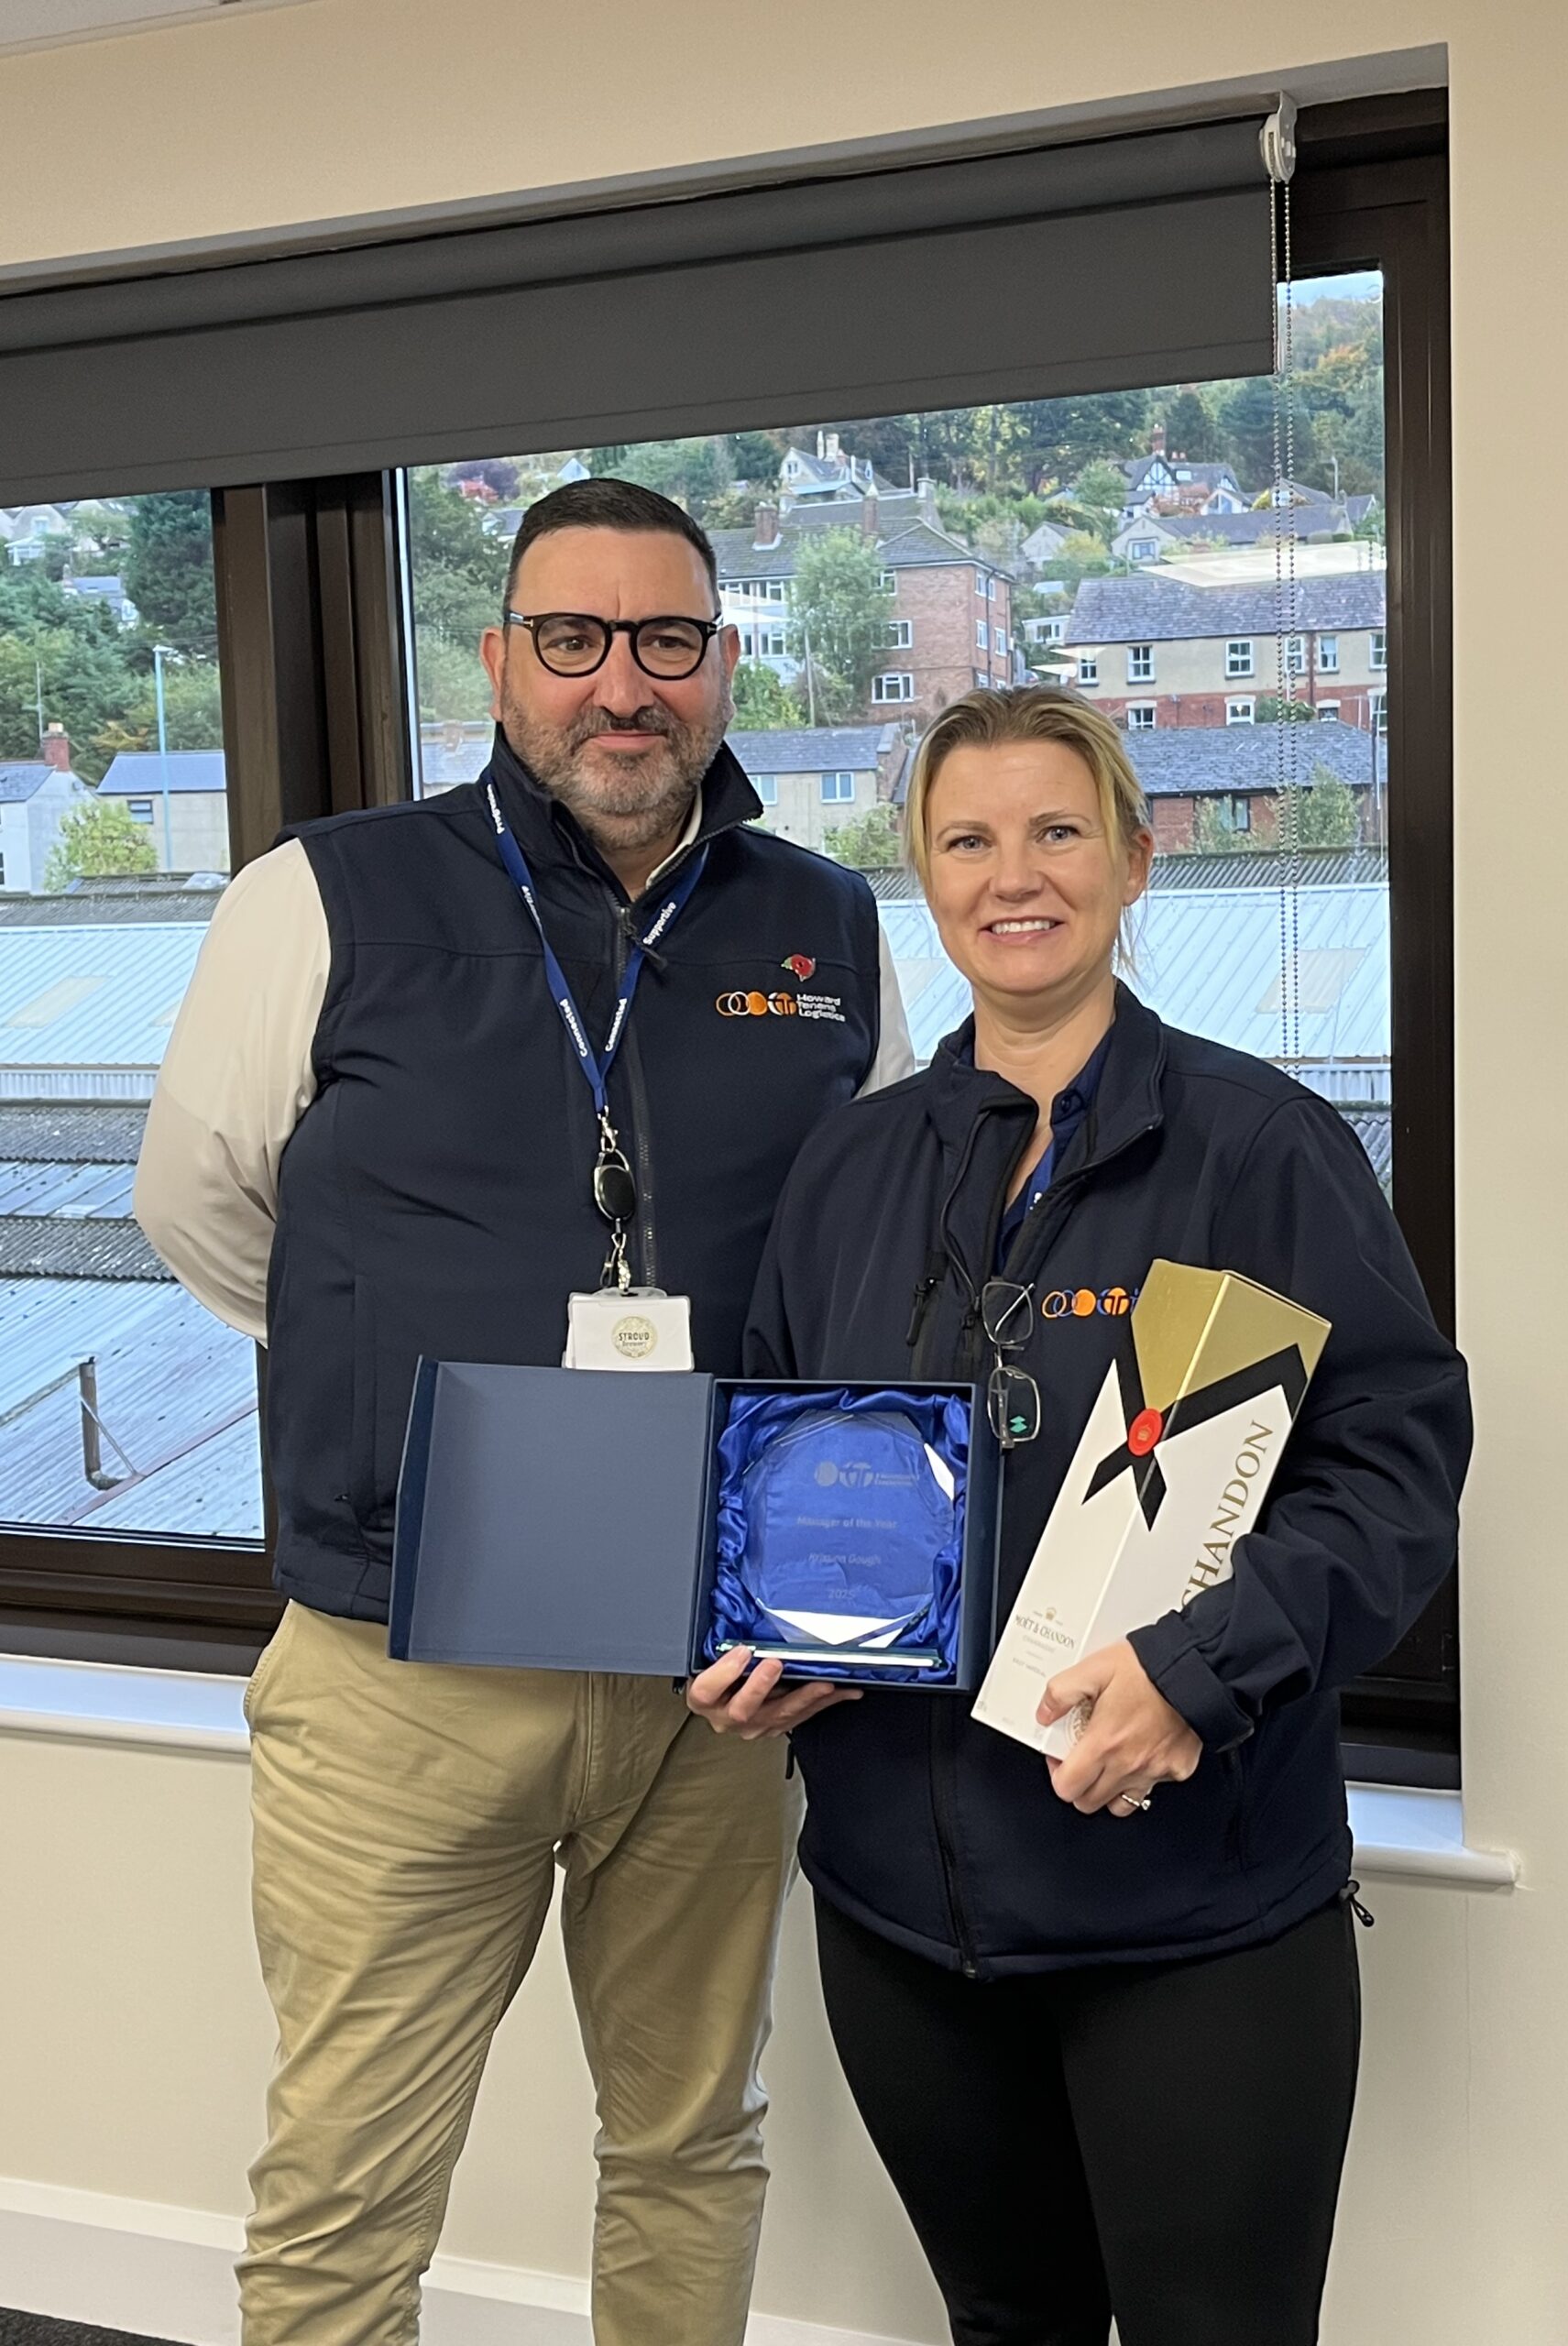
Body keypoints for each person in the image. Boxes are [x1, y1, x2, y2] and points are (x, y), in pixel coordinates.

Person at [134, 477, 914, 2346]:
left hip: (707, 1678)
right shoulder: (320, 895)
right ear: (500, 662)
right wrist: (387, 1376)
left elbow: (860, 1264)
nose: (619, 684)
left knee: (693, 2144)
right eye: (573, 639)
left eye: (665, 640)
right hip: (404, 1668)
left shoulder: (823, 921)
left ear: (723, 665)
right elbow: (203, 1205)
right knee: (347, 2185)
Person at [689, 685, 1472, 2346]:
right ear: (922, 872)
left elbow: (1395, 1471)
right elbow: (773, 1448)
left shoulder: (1263, 1148)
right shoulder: (853, 1166)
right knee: (1006, 2327)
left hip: (1189, 1921)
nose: (1012, 874)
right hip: (903, 1917)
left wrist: (1202, 1669)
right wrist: (762, 1634)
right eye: (967, 838)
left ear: (1131, 861)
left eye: (1056, 831)